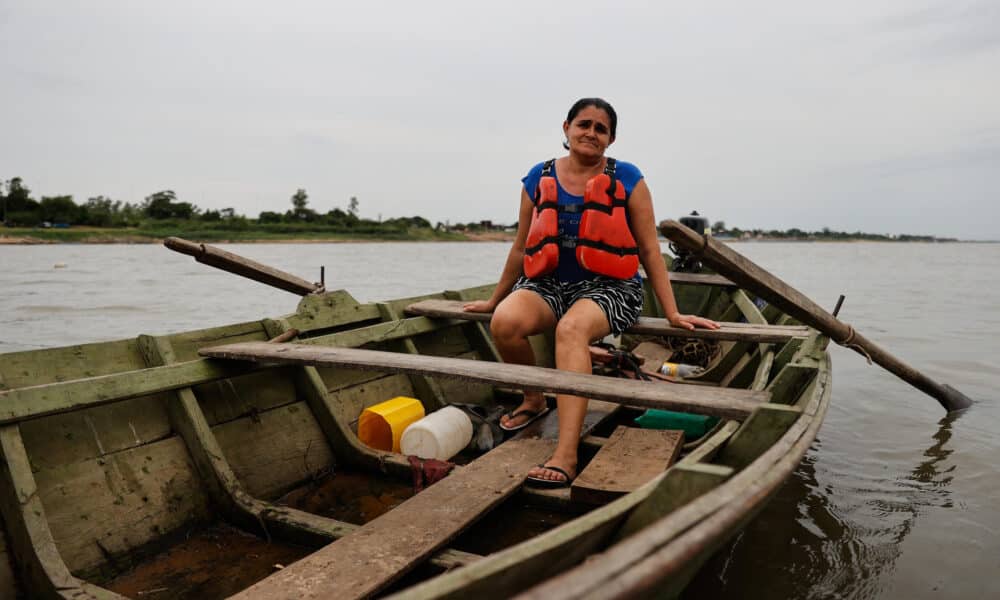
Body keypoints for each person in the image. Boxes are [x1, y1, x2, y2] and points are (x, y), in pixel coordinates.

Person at [463, 98, 719, 487]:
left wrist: (673, 314)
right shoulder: (538, 176)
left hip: (611, 287)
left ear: (611, 139)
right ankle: (533, 400)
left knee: (571, 330)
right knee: (505, 323)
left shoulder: (628, 178)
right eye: (584, 124)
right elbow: (520, 248)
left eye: (601, 129)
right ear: (566, 128)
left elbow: (650, 250)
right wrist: (494, 299)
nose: (591, 133)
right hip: (549, 283)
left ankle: (566, 453)